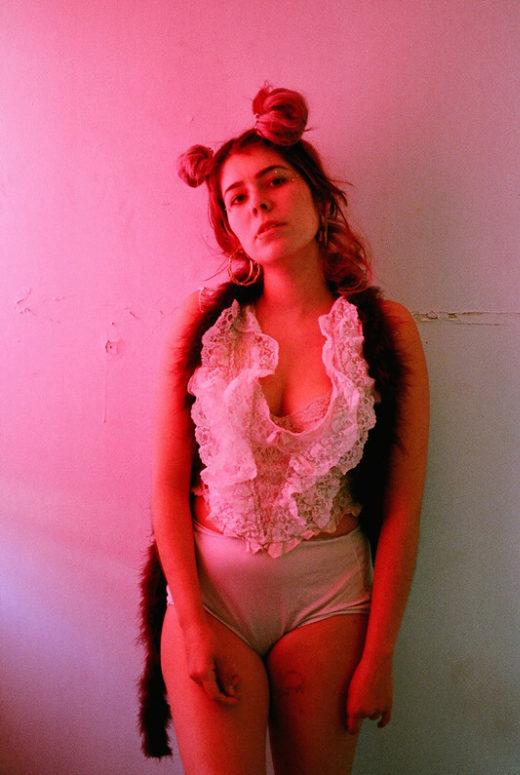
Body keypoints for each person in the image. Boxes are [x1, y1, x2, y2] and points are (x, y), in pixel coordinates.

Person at [139, 85, 429, 775]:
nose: (259, 204)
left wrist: (380, 654)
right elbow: (166, 486)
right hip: (212, 598)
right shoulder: (203, 325)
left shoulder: (386, 330)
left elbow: (403, 506)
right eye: (237, 197)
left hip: (329, 602)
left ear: (319, 199)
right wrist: (188, 621)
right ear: (229, 229)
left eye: (275, 182)